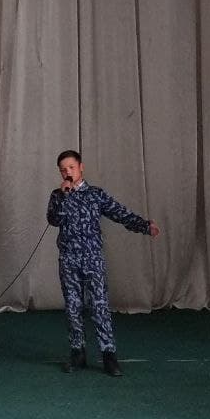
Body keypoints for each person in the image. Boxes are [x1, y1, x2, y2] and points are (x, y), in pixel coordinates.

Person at [46, 149, 159, 377]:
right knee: (73, 308)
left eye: (71, 167)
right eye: (63, 170)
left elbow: (119, 213)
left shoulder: (95, 194)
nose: (68, 172)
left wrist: (144, 225)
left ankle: (109, 356)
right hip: (68, 259)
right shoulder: (58, 195)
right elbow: (53, 219)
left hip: (93, 259)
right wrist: (64, 196)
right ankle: (77, 353)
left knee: (99, 306)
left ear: (81, 167)